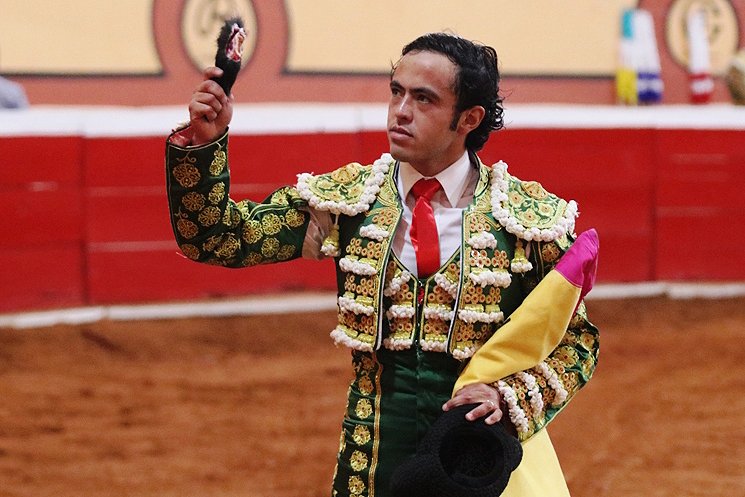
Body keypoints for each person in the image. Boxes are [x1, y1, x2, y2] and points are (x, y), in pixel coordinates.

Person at [165, 32, 599, 497]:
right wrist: (204, 145)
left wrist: (507, 397)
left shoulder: (526, 221)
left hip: (475, 466)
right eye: (397, 92)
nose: (401, 111)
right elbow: (218, 239)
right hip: (370, 464)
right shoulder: (348, 203)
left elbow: (577, 343)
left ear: (469, 119)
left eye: (424, 99)